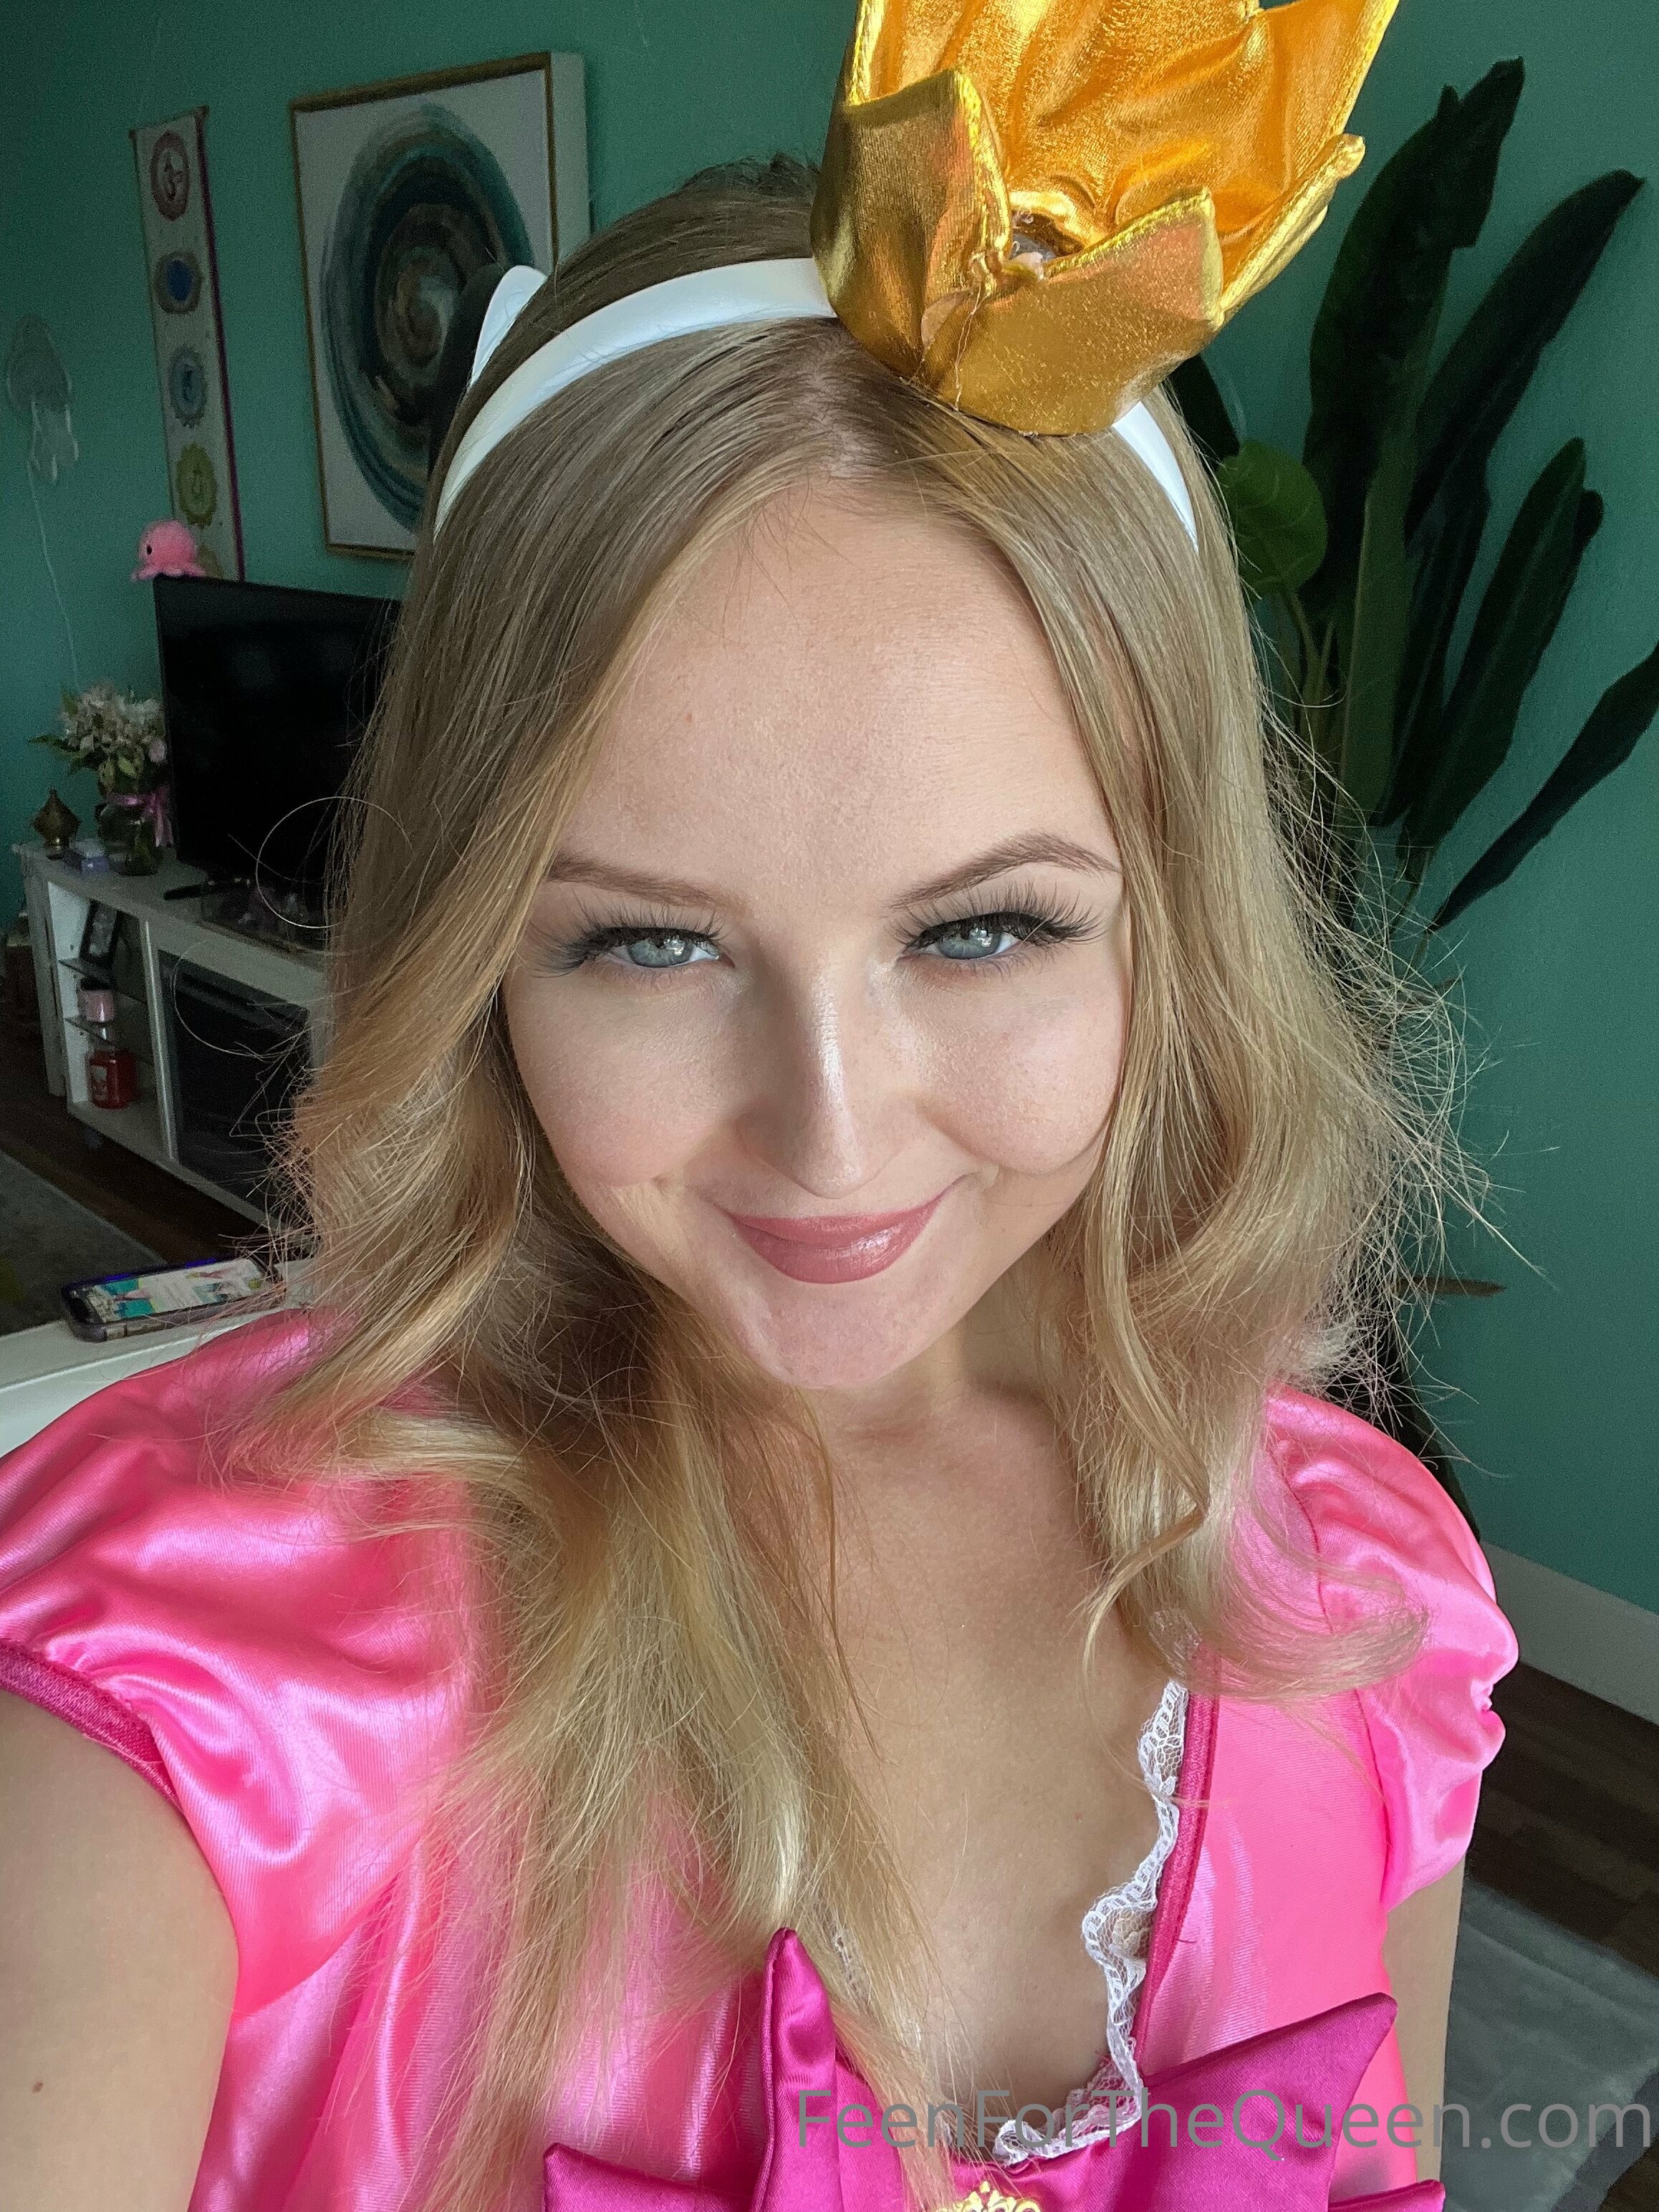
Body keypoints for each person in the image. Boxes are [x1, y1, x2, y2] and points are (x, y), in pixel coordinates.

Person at [0, 4, 1518, 2208]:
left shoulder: (1368, 1603)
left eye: (981, 929)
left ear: (1174, 931)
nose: (828, 1138)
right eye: (644, 944)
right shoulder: (209, 1654)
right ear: (472, 955)